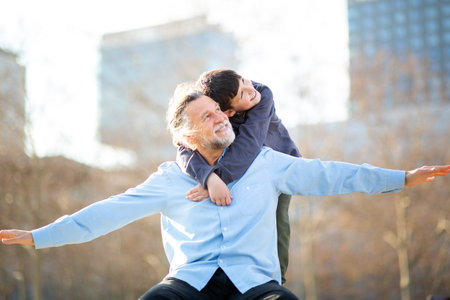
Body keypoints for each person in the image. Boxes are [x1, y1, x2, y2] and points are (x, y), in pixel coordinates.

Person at [1, 90, 449, 300]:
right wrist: (39, 236)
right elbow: (106, 213)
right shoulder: (169, 179)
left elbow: (330, 175)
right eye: (206, 116)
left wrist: (401, 177)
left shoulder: (266, 164)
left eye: (219, 111)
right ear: (185, 134)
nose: (219, 118)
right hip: (186, 286)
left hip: (255, 287)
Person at [177, 69, 300, 284]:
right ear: (228, 112)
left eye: (245, 81)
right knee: (237, 222)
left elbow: (248, 145)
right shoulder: (216, 111)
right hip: (241, 172)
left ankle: (277, 280)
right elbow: (184, 149)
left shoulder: (263, 96)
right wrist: (209, 177)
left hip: (276, 169)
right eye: (242, 94)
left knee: (278, 224)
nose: (250, 89)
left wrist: (218, 178)